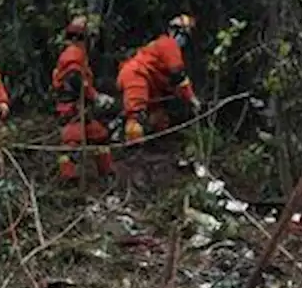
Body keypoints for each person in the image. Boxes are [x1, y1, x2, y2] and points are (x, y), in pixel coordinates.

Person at [117, 14, 201, 142]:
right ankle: (132, 151)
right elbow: (178, 75)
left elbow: (171, 79)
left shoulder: (163, 46)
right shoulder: (169, 44)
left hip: (149, 82)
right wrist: (191, 98)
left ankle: (150, 146)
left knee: (160, 120)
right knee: (136, 116)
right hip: (137, 76)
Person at [52, 15, 115, 180]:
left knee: (99, 136)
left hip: (82, 108)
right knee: (71, 144)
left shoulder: (76, 53)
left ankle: (106, 173)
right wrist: (95, 97)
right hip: (71, 108)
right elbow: (75, 79)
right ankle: (68, 179)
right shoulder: (74, 53)